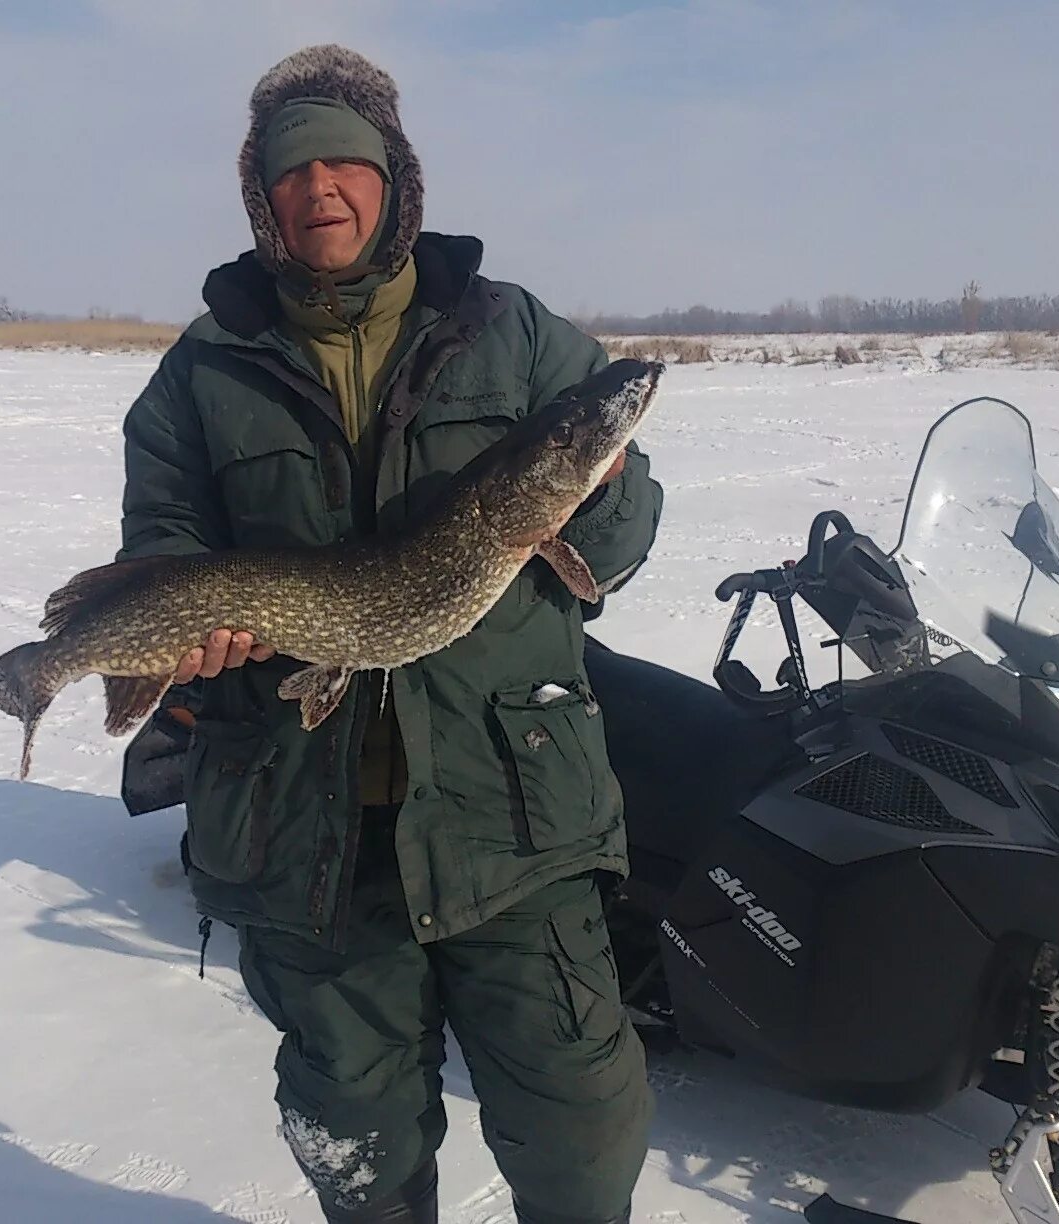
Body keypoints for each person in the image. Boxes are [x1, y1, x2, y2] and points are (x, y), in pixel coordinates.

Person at [116, 44, 664, 1224]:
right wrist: (186, 644)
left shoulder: (511, 333)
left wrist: (594, 480)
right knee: (355, 1142)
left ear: (394, 180)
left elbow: (620, 541)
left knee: (584, 1124)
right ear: (262, 197)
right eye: (293, 169)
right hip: (302, 826)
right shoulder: (203, 373)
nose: (323, 188)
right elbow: (162, 550)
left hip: (508, 816)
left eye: (345, 163)